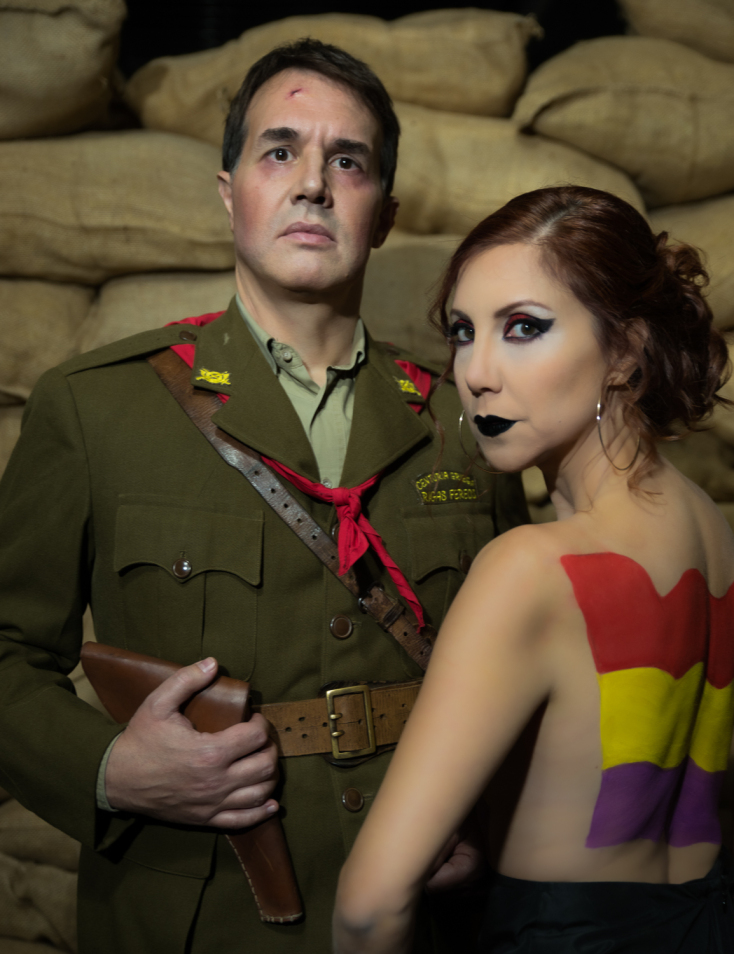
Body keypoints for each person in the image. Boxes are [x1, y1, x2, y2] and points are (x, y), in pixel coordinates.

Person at [0, 39, 528, 953]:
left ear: (385, 214)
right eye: (279, 151)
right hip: (198, 914)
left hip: (424, 913)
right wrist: (111, 769)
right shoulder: (96, 408)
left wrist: (490, 813)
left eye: (348, 161)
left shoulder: (465, 420)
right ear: (229, 190)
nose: (313, 184)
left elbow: (523, 663)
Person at [333, 185, 734, 954]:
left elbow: (368, 906)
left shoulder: (530, 569)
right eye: (462, 332)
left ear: (626, 350)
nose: (476, 372)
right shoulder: (714, 535)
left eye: (523, 327)